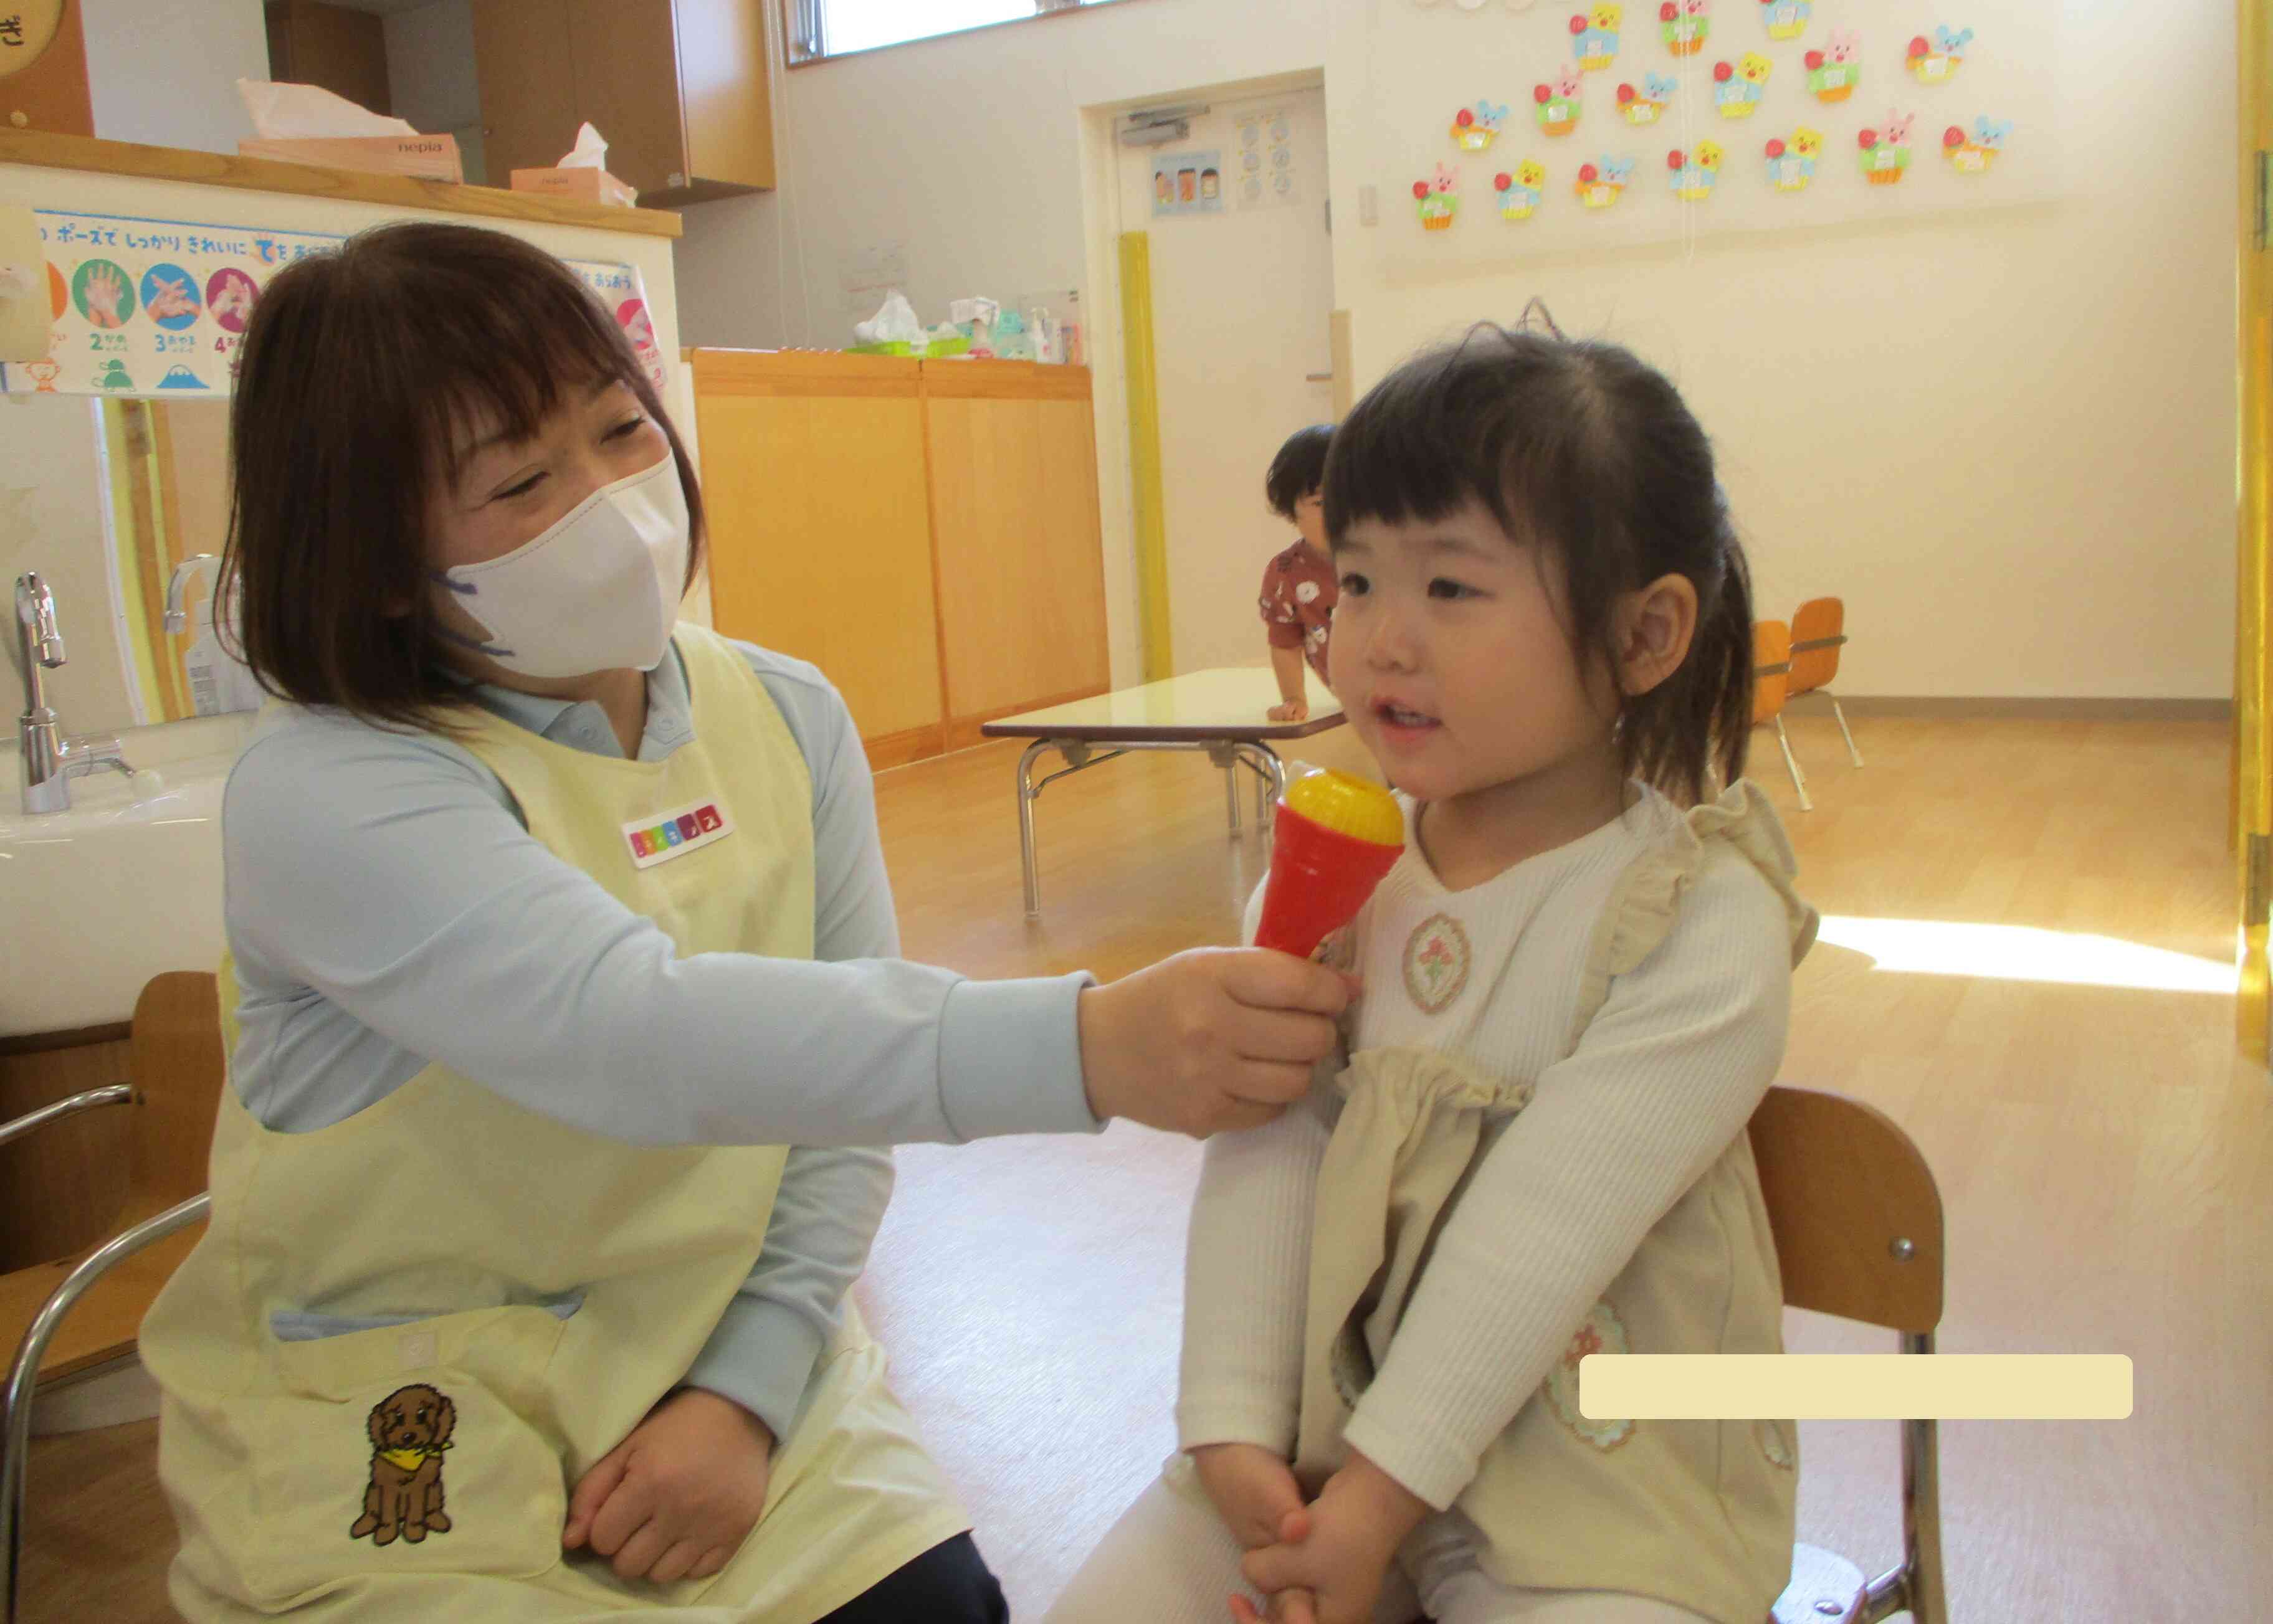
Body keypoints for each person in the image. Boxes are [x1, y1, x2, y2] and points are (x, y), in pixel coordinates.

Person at [135, 222, 1353, 1624]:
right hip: (411, 1403)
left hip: (725, 1357)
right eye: (525, 482)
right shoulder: (331, 788)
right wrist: (1088, 1047)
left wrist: (749, 1390)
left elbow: (833, 1121)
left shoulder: (777, 710)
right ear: (379, 561)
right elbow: (631, 1034)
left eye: (619, 430)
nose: (614, 501)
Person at [1044, 321, 1818, 1624]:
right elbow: (1268, 1140)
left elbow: (1542, 1234)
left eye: (1449, 589)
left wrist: (1377, 1509)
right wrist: (1233, 1431)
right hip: (1330, 1433)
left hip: (1601, 1472)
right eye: (1355, 582)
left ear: (1645, 636)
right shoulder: (1335, 880)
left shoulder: (1700, 918)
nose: (1380, 642)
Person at [1259, 424, 1337, 723]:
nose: (1338, 511)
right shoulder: (1286, 573)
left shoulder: (1389, 557)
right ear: (1291, 510)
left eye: (1349, 496)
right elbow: (1284, 640)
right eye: (1320, 503)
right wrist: (1294, 698)